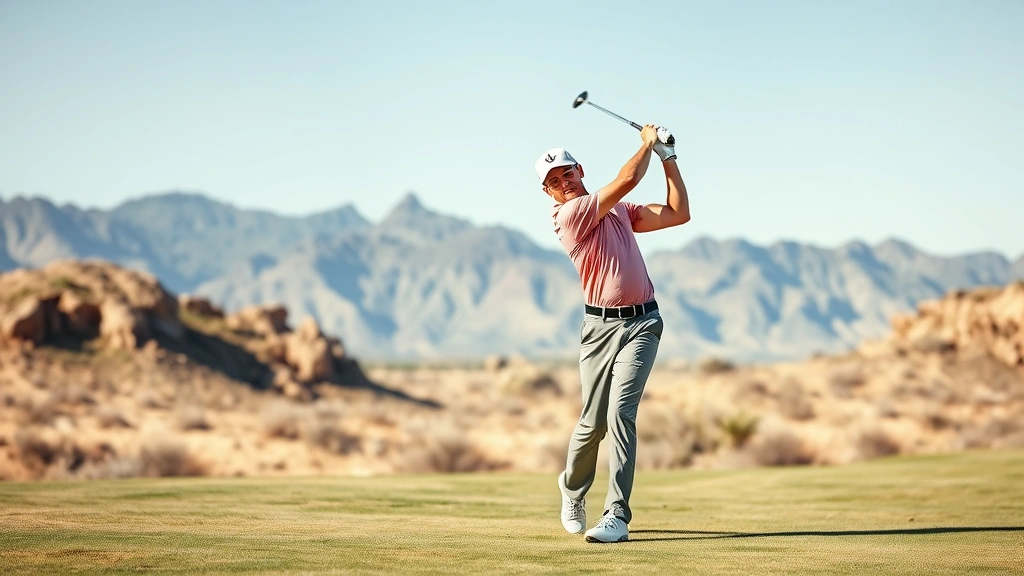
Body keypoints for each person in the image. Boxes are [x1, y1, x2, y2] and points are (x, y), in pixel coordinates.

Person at [534, 123, 691, 543]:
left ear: (579, 170)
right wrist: (646, 143)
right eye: (553, 182)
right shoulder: (569, 216)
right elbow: (625, 179)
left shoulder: (618, 210)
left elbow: (678, 213)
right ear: (548, 194)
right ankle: (572, 490)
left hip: (643, 324)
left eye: (566, 173)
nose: (563, 183)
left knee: (621, 414)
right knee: (592, 423)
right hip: (599, 329)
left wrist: (668, 158)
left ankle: (617, 516)